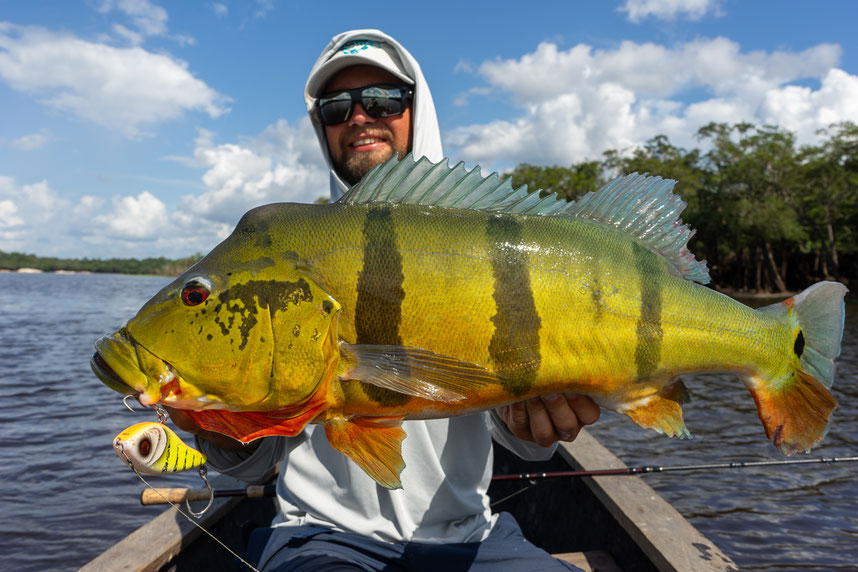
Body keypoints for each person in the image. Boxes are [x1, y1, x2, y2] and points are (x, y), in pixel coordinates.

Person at [171, 29, 600, 571]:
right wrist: (218, 425)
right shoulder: (281, 262)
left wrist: (535, 425)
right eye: (335, 106)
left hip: (472, 536)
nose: (358, 116)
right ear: (320, 126)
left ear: (416, 109)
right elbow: (253, 466)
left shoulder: (481, 247)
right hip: (321, 538)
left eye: (381, 99)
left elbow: (519, 439)